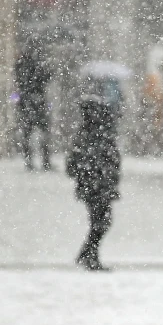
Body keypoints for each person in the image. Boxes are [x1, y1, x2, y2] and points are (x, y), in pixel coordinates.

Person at [67, 96, 121, 270]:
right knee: (101, 222)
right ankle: (90, 255)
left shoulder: (89, 135)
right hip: (97, 186)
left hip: (96, 185)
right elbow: (74, 166)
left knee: (100, 222)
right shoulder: (97, 135)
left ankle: (88, 253)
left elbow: (72, 166)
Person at [14, 41, 53, 171]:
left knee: (28, 133)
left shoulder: (21, 64)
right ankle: (43, 161)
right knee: (42, 132)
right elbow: (45, 78)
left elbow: (20, 80)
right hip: (36, 102)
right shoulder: (36, 64)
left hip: (27, 103)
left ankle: (30, 161)